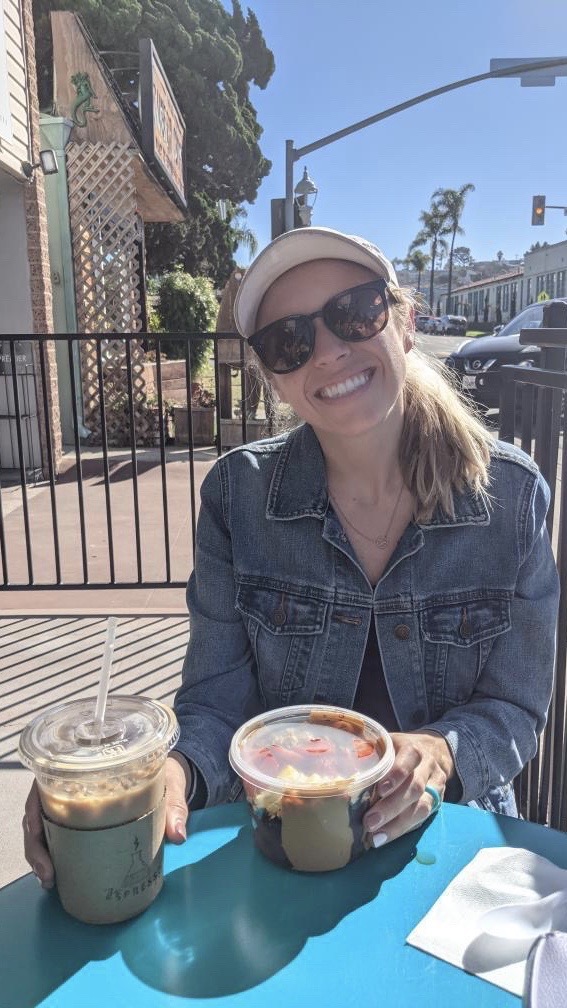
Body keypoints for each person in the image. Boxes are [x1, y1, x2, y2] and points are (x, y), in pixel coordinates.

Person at [24, 227, 560, 886]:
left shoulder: (509, 495)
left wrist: (441, 755)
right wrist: (164, 775)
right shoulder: (237, 495)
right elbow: (216, 707)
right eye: (289, 341)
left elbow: (513, 710)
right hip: (283, 841)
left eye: (354, 312)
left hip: (453, 844)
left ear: (405, 321)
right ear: (272, 378)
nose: (329, 351)